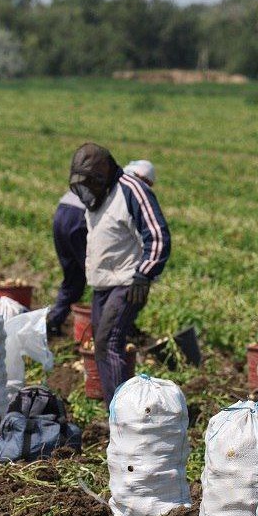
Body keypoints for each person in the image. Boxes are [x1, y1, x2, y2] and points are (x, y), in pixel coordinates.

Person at [68, 143, 171, 405]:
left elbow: (157, 235)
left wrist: (144, 274)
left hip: (127, 283)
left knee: (108, 342)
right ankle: (121, 410)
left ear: (101, 177)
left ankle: (120, 414)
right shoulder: (98, 198)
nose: (86, 191)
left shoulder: (132, 190)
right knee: (102, 347)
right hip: (103, 284)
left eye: (90, 184)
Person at [46, 188, 88, 337]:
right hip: (81, 216)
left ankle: (53, 320)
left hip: (62, 211)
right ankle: (107, 329)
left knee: (73, 276)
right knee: (99, 276)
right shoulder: (126, 187)